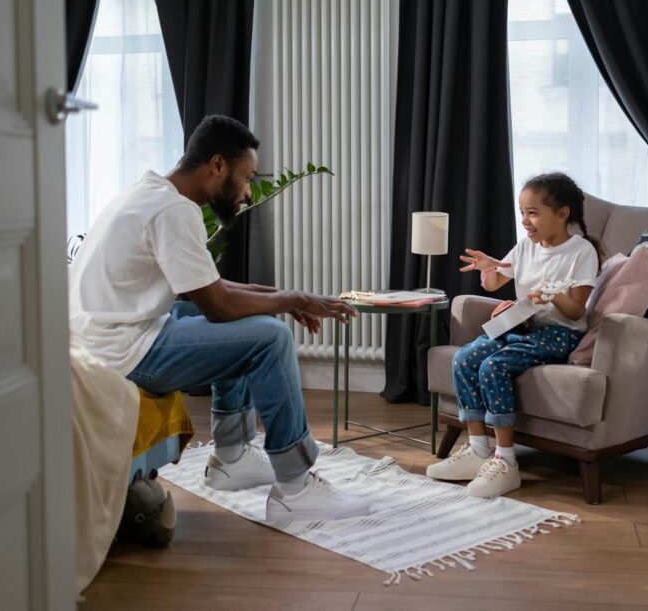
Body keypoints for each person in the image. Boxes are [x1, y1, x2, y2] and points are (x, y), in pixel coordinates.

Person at [69, 115, 369, 521]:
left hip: (106, 336)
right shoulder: (173, 211)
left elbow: (211, 288)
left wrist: (290, 299)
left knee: (236, 320)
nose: (247, 192)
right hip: (122, 351)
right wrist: (291, 299)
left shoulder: (149, 193)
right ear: (216, 166)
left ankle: (232, 459)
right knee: (269, 337)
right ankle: (295, 488)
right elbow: (220, 306)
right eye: (246, 178)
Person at [425, 173, 601, 498]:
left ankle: (505, 461)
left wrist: (551, 295)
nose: (525, 221)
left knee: (494, 366)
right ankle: (478, 449)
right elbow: (493, 285)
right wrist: (488, 268)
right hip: (524, 327)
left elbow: (576, 310)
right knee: (465, 359)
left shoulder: (581, 252)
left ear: (562, 214)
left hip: (560, 334)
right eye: (522, 212)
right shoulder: (525, 247)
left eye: (533, 213)